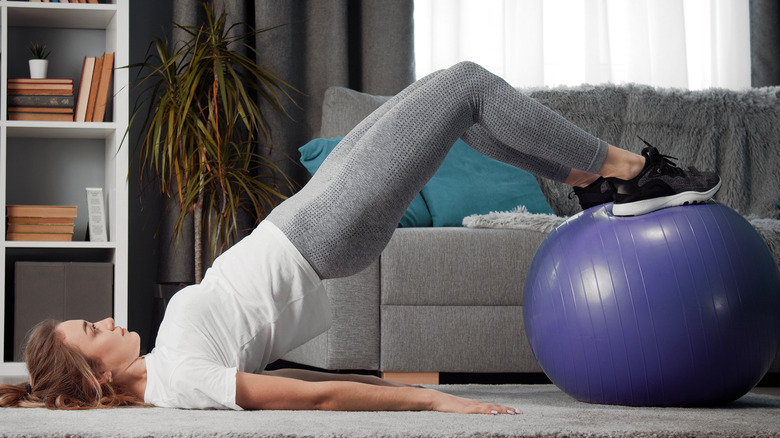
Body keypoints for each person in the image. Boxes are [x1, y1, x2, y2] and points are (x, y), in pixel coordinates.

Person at [0, 61, 719, 412]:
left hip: (308, 217)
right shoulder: (181, 382)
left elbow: (294, 377)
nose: (108, 320)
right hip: (322, 233)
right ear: (94, 374)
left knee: (459, 103)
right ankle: (631, 170)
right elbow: (306, 398)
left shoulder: (165, 364)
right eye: (91, 328)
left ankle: (597, 184)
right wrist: (429, 401)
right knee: (467, 83)